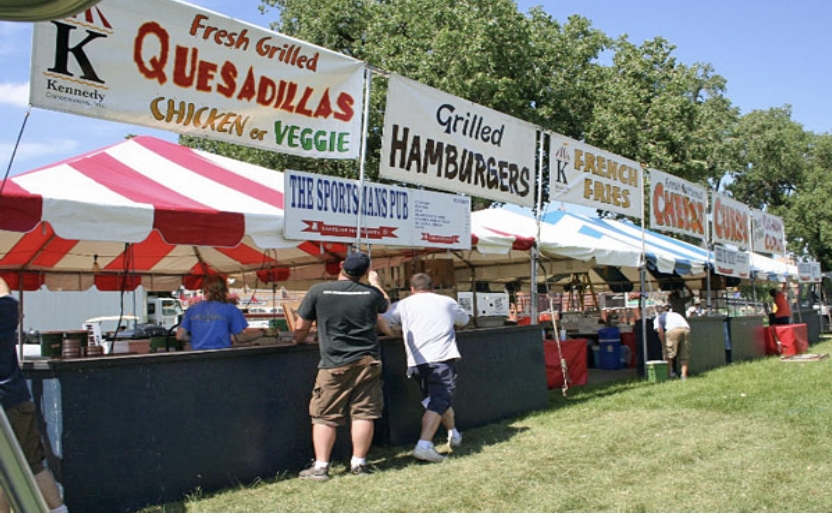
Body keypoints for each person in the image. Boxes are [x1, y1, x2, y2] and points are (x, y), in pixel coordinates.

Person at [293, 252, 392, 481]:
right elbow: (386, 306)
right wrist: (376, 283)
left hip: (334, 363)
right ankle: (359, 464)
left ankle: (321, 467)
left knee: (325, 415)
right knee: (364, 413)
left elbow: (301, 326)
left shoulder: (318, 291)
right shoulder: (371, 294)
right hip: (368, 361)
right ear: (366, 273)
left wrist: (299, 340)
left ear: (340, 266)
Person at [384, 273, 470, 463]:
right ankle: (424, 445)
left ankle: (453, 434)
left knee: (435, 400)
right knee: (439, 401)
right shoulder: (447, 302)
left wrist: (399, 330)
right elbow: (464, 321)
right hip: (441, 357)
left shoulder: (403, 305)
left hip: (415, 361)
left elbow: (384, 321)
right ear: (433, 287)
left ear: (411, 289)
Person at [0, 278, 68, 513]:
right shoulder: (4, 312)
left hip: (11, 400)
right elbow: (6, 295)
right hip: (13, 400)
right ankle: (60, 512)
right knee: (32, 466)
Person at [176, 274, 264, 349]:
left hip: (198, 357)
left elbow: (180, 336)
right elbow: (240, 338)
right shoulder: (231, 309)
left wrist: (197, 338)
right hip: (221, 357)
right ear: (224, 290)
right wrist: (262, 333)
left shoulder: (193, 309)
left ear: (205, 290)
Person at [654, 304, 691, 380]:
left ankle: (669, 375)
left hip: (673, 330)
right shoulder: (675, 314)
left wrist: (663, 344)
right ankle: (684, 376)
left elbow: (660, 331)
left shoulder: (658, 318)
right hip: (686, 329)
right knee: (684, 354)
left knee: (668, 354)